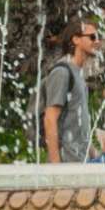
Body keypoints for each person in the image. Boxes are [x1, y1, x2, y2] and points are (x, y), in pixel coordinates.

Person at [42, 19, 98, 163]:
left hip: (80, 161)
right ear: (76, 39)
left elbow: (79, 124)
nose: (96, 41)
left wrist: (94, 154)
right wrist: (56, 166)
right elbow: (50, 119)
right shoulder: (62, 72)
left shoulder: (79, 74)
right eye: (92, 37)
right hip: (66, 163)